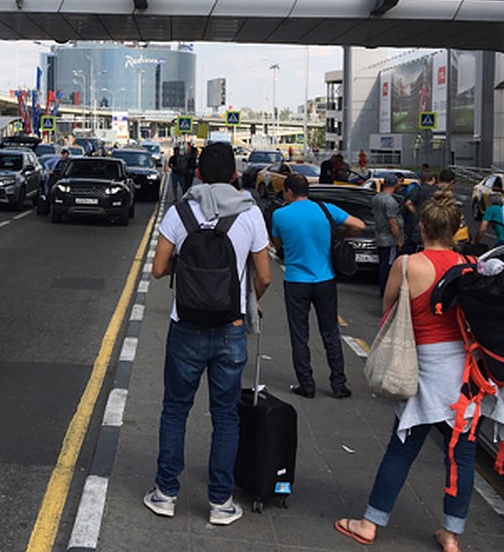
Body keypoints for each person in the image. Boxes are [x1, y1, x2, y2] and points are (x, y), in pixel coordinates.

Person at [335, 190, 504, 552]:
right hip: (463, 373)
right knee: (461, 455)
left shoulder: (407, 264)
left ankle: (370, 523)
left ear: (424, 225)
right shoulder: (469, 265)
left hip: (422, 366)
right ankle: (451, 534)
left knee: (401, 449)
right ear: (457, 229)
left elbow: (388, 311)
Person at [144, 141, 272, 525]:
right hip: (231, 328)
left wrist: (183, 272)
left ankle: (165, 493)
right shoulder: (251, 215)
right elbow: (264, 275)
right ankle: (220, 502)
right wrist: (249, 298)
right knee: (226, 417)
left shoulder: (181, 212)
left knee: (175, 410)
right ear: (235, 175)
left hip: (186, 326)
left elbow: (157, 269)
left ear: (197, 173)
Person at [271, 174, 366, 398]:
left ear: (289, 192)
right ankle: (338, 383)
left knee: (299, 334)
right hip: (325, 280)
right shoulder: (326, 209)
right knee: (331, 332)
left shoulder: (280, 214)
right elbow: (359, 225)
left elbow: (278, 243)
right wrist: (340, 233)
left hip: (296, 281)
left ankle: (307, 384)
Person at [371, 174, 403, 296]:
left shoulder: (376, 198)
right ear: (395, 184)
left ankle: (383, 289)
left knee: (383, 264)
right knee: (389, 267)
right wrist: (399, 238)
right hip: (389, 239)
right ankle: (387, 291)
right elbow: (393, 222)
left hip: (379, 234)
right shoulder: (390, 201)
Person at [402, 169, 437, 254]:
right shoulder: (436, 191)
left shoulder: (417, 190)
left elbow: (408, 203)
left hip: (418, 224)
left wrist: (416, 213)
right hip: (433, 222)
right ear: (433, 179)